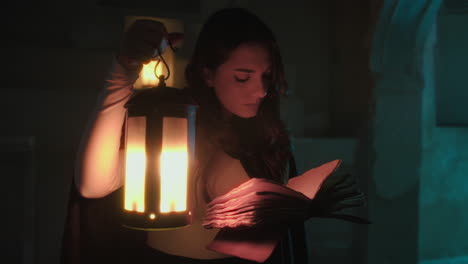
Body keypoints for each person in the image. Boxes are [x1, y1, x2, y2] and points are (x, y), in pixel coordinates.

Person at [68, 7, 366, 264]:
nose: (260, 91)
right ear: (208, 73)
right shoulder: (173, 125)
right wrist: (122, 72)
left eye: (266, 76)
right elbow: (93, 185)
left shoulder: (265, 137)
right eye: (242, 77)